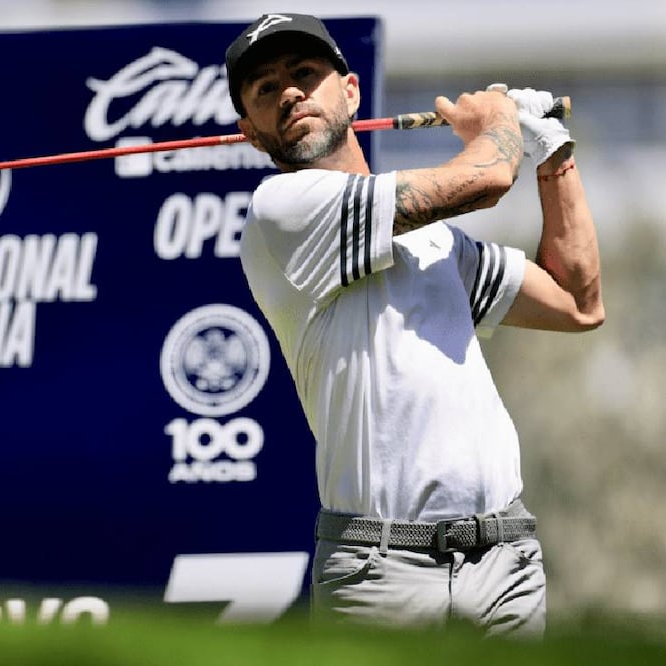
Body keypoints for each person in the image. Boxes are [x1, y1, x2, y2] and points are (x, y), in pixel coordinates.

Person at [224, 13, 603, 637]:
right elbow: (485, 178)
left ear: (349, 92)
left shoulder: (435, 243)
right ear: (252, 134)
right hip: (379, 570)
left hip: (504, 560)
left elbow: (577, 301)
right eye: (265, 89)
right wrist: (502, 123)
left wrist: (554, 151)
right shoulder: (280, 214)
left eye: (304, 74)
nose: (289, 91)